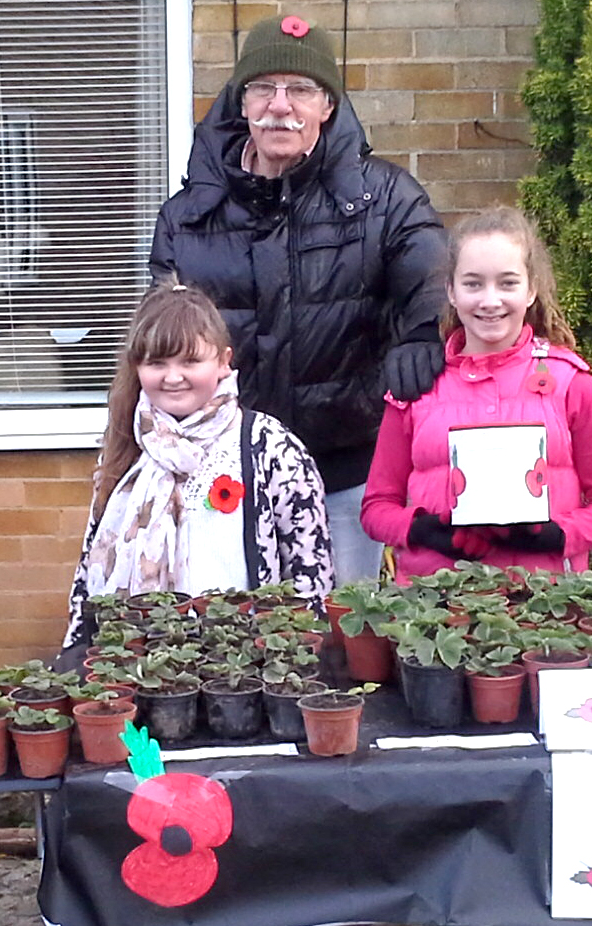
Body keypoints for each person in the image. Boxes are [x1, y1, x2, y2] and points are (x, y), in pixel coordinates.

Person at [150, 14, 448, 584]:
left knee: (343, 635)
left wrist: (422, 334)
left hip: (346, 472)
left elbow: (434, 277)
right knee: (230, 639)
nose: (280, 105)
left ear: (328, 107)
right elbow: (160, 340)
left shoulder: (386, 201)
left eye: (301, 90)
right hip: (223, 476)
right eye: (263, 87)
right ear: (242, 103)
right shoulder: (186, 218)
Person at [361, 206, 592, 581]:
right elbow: (376, 508)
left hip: (543, 604)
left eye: (507, 283)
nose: (490, 300)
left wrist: (558, 536)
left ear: (531, 290)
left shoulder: (573, 384)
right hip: (435, 606)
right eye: (473, 284)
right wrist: (422, 529)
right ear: (451, 292)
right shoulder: (416, 388)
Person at [63, 280, 333, 648]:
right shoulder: (126, 446)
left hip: (242, 671)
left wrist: (295, 660)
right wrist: (78, 650)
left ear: (223, 361)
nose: (173, 377)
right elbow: (87, 569)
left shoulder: (270, 447)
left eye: (190, 360)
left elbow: (310, 573)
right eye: (156, 362)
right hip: (137, 664)